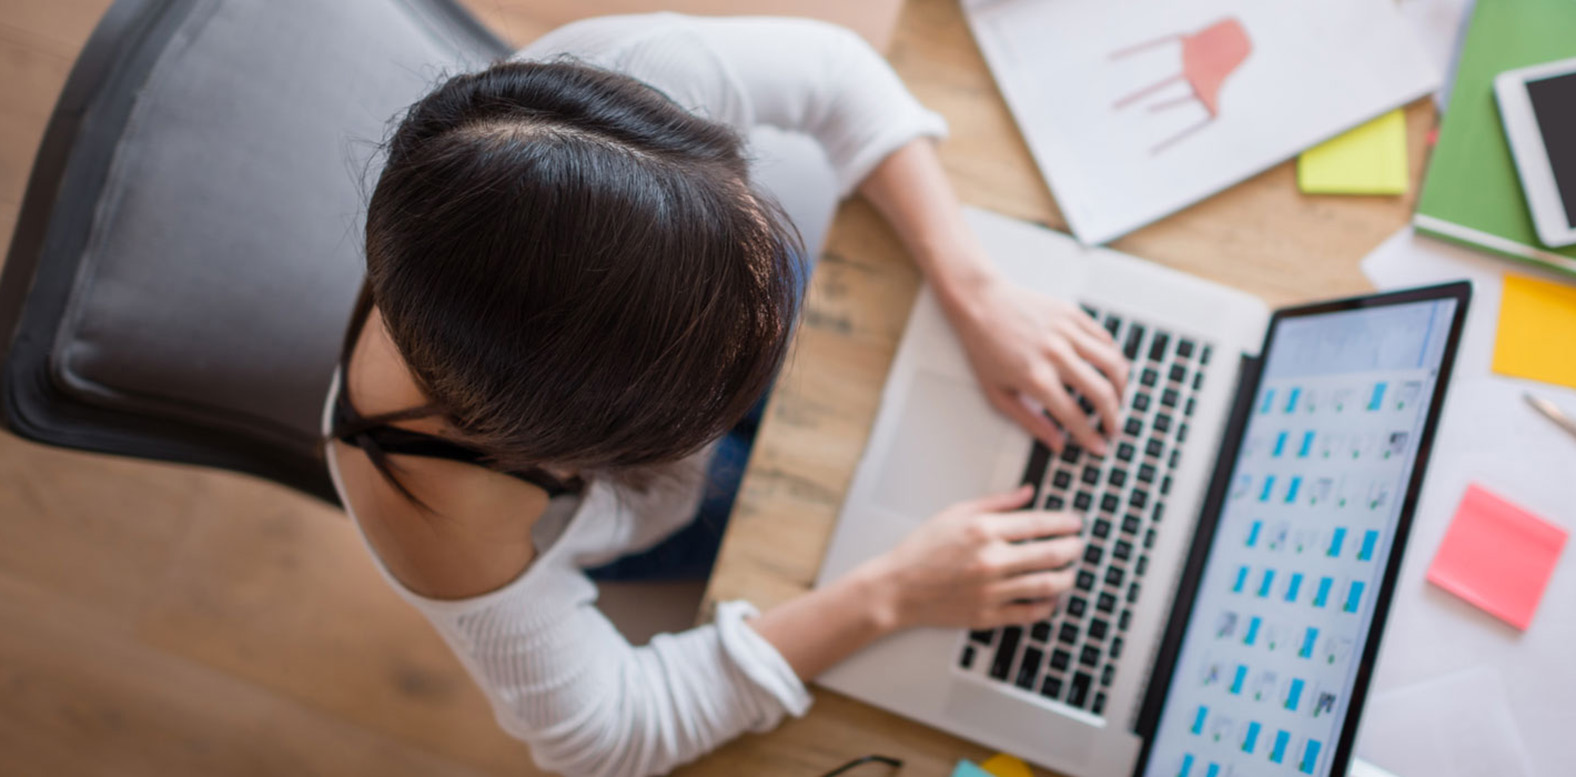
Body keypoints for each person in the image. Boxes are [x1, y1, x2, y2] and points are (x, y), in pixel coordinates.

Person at [323, 12, 1130, 777]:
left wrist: (974, 286)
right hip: (658, 514)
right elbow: (607, 735)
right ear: (597, 441)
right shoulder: (435, 509)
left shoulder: (598, 113)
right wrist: (890, 594)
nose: (781, 326)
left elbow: (840, 75)